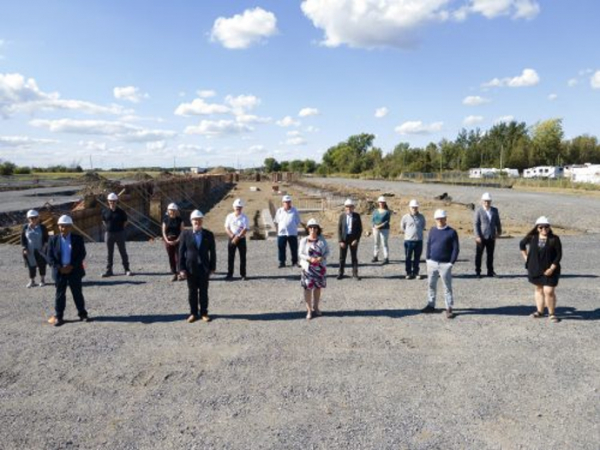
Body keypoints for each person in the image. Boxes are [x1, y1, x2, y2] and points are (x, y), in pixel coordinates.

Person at [46, 215, 90, 327]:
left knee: (77, 293)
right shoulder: (53, 240)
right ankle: (59, 316)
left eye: (66, 226)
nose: (63, 228)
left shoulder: (77, 239)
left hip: (74, 270)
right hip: (60, 271)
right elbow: (49, 257)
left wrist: (71, 266)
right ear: (58, 226)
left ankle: (82, 314)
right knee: (60, 295)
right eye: (61, 226)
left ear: (70, 227)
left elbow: (82, 254)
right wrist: (60, 267)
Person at [519, 216, 562, 323]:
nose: (544, 229)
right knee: (538, 289)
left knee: (549, 291)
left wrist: (552, 268)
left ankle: (551, 314)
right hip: (535, 268)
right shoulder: (532, 237)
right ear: (537, 227)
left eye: (546, 227)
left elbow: (559, 255)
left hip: (550, 269)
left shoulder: (554, 239)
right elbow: (522, 244)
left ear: (549, 227)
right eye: (541, 227)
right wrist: (526, 258)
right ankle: (540, 311)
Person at [178, 210, 216, 323]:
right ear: (191, 221)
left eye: (199, 220)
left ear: (202, 221)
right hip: (190, 268)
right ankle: (193, 313)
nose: (197, 222)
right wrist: (181, 268)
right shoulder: (185, 234)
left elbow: (212, 252)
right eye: (195, 220)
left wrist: (212, 267)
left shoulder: (208, 235)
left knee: (204, 292)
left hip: (204, 268)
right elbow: (181, 252)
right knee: (192, 292)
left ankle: (204, 313)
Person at [422, 209, 460, 319]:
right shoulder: (433, 230)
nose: (440, 220)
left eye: (441, 218)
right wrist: (428, 258)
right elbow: (429, 244)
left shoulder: (452, 232)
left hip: (445, 265)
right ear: (435, 219)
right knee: (431, 285)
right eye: (438, 218)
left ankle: (449, 308)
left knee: (447, 287)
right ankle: (431, 305)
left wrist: (451, 263)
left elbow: (456, 249)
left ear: (445, 219)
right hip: (432, 263)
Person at [299, 218, 330, 320]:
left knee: (317, 288)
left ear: (317, 229)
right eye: (311, 227)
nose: (313, 229)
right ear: (308, 229)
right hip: (308, 268)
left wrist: (323, 257)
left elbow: (327, 252)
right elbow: (300, 254)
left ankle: (316, 307)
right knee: (308, 289)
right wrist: (309, 259)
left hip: (319, 268)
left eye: (315, 227)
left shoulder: (322, 240)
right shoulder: (304, 240)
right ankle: (309, 310)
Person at [101, 192, 132, 277]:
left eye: (114, 201)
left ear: (116, 201)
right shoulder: (105, 211)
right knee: (109, 253)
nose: (112, 202)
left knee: (123, 251)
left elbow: (126, 221)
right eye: (110, 201)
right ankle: (109, 270)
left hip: (119, 233)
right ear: (108, 201)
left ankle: (127, 269)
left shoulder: (121, 212)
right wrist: (108, 228)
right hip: (109, 234)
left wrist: (119, 228)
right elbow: (103, 221)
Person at [473, 192, 502, 278]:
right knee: (479, 255)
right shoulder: (479, 211)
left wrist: (499, 231)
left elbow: (497, 222)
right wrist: (477, 236)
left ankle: (490, 271)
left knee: (490, 255)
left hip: (491, 236)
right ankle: (478, 271)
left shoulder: (494, 210)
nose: (487, 203)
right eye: (485, 201)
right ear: (482, 201)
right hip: (481, 237)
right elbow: (476, 224)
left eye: (488, 201)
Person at [21, 209, 49, 288]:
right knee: (31, 265)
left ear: (38, 218)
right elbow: (23, 239)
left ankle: (42, 280)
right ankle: (32, 281)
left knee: (42, 264)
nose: (33, 219)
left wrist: (44, 246)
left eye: (35, 217)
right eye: (31, 218)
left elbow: (47, 238)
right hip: (30, 250)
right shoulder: (25, 227)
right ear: (28, 219)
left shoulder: (42, 227)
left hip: (41, 250)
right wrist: (24, 248)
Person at [274, 195, 303, 268]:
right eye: (285, 202)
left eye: (288, 202)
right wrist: (278, 231)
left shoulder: (294, 210)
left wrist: (291, 226)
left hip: (292, 233)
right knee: (281, 248)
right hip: (282, 233)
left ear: (290, 202)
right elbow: (277, 221)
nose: (287, 203)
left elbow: (297, 221)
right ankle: (282, 262)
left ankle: (295, 261)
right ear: (282, 203)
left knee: (294, 248)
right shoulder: (279, 211)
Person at [337, 198, 363, 280]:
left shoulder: (357, 216)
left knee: (354, 257)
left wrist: (357, 240)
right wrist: (340, 241)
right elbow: (339, 229)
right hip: (344, 238)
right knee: (342, 257)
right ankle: (341, 273)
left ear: (353, 207)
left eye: (350, 207)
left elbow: (360, 229)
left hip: (353, 238)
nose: (348, 208)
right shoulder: (342, 216)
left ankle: (355, 274)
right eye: (347, 207)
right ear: (345, 207)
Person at [401, 199, 426, 280]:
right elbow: (402, 227)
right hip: (408, 241)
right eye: (413, 207)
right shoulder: (405, 217)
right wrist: (408, 234)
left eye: (415, 207)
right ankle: (408, 273)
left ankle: (416, 272)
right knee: (408, 257)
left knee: (417, 257)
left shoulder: (421, 217)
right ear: (410, 208)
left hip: (419, 240)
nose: (414, 209)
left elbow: (423, 226)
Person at [224, 198, 249, 280]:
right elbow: (226, 227)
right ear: (233, 207)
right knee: (230, 257)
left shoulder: (244, 217)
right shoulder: (229, 216)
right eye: (236, 207)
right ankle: (230, 274)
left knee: (242, 257)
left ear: (242, 208)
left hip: (241, 239)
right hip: (231, 238)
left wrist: (237, 237)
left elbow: (245, 229)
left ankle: (243, 274)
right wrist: (232, 236)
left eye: (239, 207)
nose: (238, 209)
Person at [161, 203, 184, 281]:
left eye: (174, 210)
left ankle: (180, 273)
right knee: (171, 257)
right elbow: (163, 231)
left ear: (176, 211)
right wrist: (167, 240)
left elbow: (182, 231)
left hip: (178, 240)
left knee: (179, 257)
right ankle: (174, 273)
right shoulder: (165, 220)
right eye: (171, 210)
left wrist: (177, 240)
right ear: (168, 210)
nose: (172, 211)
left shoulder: (180, 220)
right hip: (168, 241)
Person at [371, 196, 391, 264]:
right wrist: (374, 226)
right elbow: (372, 220)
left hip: (384, 229)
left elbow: (387, 221)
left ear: (384, 203)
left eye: (382, 202)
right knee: (376, 243)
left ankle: (386, 257)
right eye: (380, 202)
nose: (381, 203)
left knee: (384, 243)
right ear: (378, 203)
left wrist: (380, 225)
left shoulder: (387, 212)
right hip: (375, 229)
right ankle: (375, 256)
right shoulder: (375, 211)